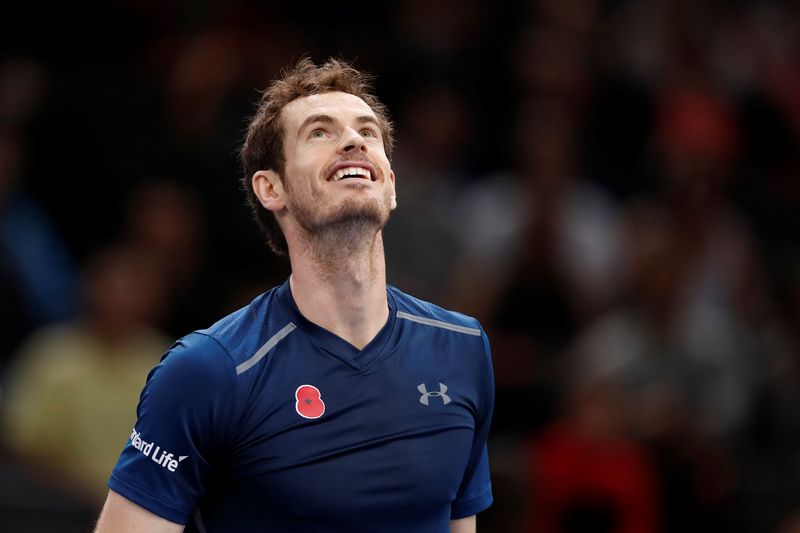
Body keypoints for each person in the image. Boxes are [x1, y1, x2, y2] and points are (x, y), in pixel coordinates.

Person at [94, 58, 495, 533]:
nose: (354, 141)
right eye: (319, 132)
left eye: (367, 132)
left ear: (390, 185)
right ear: (271, 188)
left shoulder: (463, 347)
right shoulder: (209, 370)